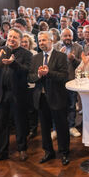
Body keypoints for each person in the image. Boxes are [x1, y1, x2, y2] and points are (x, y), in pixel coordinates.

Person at [0, 28, 33, 164]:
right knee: (1, 124)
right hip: (1, 93)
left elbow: (27, 71)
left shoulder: (27, 54)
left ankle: (22, 149)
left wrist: (14, 64)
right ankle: (2, 152)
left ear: (20, 40)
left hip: (18, 94)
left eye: (15, 38)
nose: (11, 39)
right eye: (10, 37)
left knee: (20, 123)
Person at [30, 31, 71, 166]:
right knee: (45, 127)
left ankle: (64, 152)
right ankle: (48, 151)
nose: (41, 42)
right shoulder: (36, 58)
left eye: (44, 40)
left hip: (57, 97)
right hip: (41, 98)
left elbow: (64, 76)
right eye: (39, 40)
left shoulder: (60, 56)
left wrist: (49, 73)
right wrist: (39, 75)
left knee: (61, 126)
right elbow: (30, 77)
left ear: (51, 40)